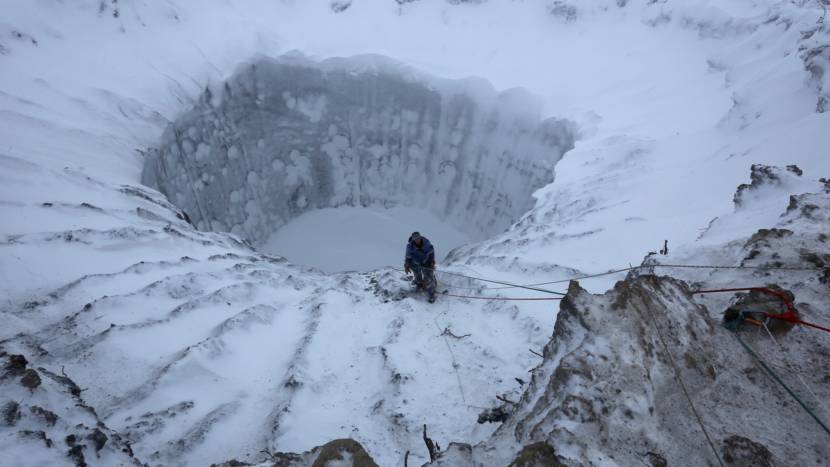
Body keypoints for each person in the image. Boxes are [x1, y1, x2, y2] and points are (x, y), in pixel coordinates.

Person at [404, 231, 436, 303]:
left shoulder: (427, 244)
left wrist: (432, 262)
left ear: (420, 237)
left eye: (418, 238)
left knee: (428, 277)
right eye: (415, 239)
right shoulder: (410, 246)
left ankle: (431, 293)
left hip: (426, 262)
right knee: (417, 275)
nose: (417, 240)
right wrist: (406, 266)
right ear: (413, 239)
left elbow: (431, 253)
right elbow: (408, 257)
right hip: (415, 263)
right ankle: (419, 285)